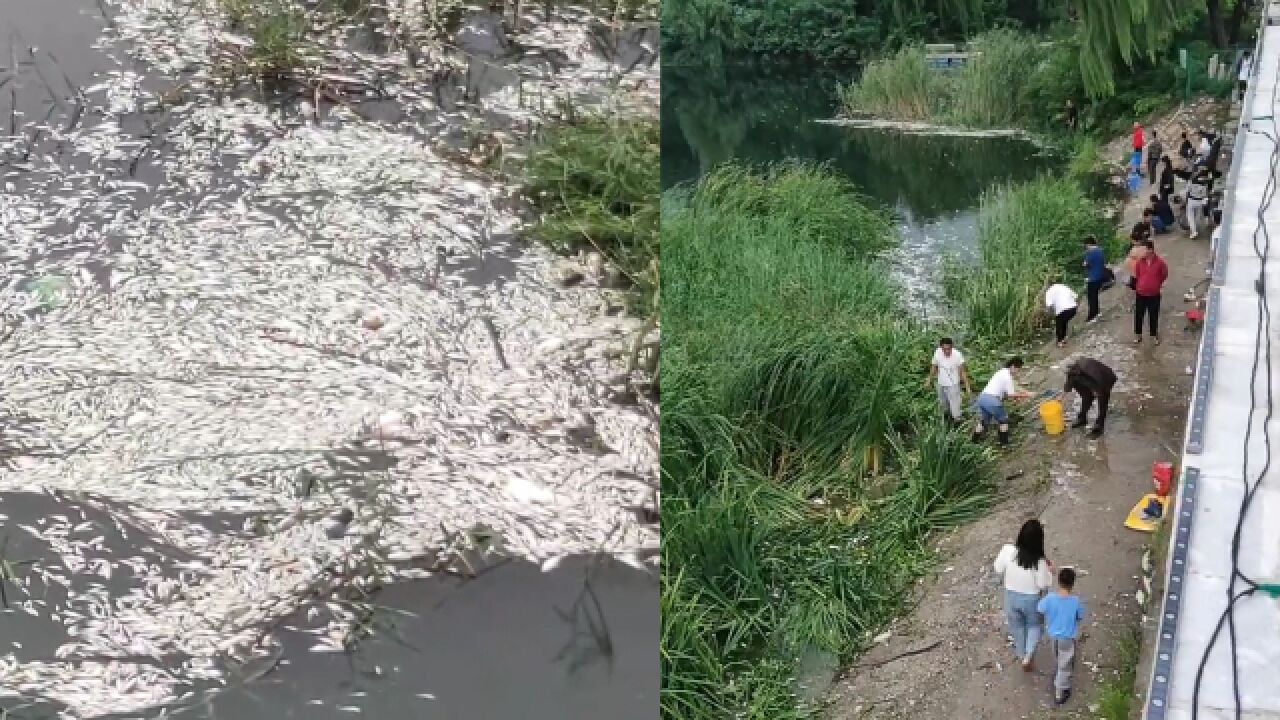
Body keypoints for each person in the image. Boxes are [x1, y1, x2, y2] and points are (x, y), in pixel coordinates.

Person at [993, 519, 1054, 672]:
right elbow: (1042, 584)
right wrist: (1050, 572)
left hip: (1011, 597)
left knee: (1017, 627)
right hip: (1031, 599)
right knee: (1034, 626)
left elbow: (998, 568)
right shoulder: (1039, 561)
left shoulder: (1008, 550)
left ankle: (1021, 653)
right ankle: (1028, 655)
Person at [1038, 567, 1086, 706]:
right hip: (1067, 637)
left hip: (1053, 635)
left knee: (1058, 657)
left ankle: (1059, 675)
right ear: (1073, 583)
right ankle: (1060, 690)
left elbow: (1040, 608)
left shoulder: (1050, 598)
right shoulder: (1075, 601)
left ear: (1059, 582)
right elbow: (1080, 616)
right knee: (1066, 664)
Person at [975, 357, 1033, 446]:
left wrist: (1017, 398)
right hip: (992, 401)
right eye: (1018, 369)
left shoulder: (1000, 372)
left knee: (984, 421)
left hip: (982, 398)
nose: (1018, 372)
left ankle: (974, 440)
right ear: (1013, 366)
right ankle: (1004, 444)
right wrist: (1026, 395)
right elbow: (1011, 394)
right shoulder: (1008, 377)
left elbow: (1004, 393)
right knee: (1004, 421)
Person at [1063, 357, 1116, 438]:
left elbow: (1099, 391)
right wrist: (1064, 395)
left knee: (1102, 401)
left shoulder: (1092, 375)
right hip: (1087, 377)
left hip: (1105, 379)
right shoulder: (1072, 374)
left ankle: (1099, 426)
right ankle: (1082, 419)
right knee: (1086, 398)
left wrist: (1096, 392)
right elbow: (1068, 387)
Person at [1130, 240, 1169, 344]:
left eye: (1143, 249)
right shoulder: (1139, 262)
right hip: (1141, 293)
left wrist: (1156, 283)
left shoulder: (1160, 262)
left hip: (1154, 294)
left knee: (1153, 315)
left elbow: (1164, 274)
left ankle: (1153, 335)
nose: (1141, 252)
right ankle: (1138, 335)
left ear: (1150, 250)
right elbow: (1137, 275)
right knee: (1138, 315)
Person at [928, 337, 973, 426]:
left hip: (953, 385)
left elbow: (963, 372)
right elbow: (934, 366)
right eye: (944, 349)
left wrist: (967, 387)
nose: (947, 351)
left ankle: (958, 425)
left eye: (949, 349)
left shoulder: (957, 355)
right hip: (941, 383)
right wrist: (929, 380)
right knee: (943, 405)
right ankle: (947, 424)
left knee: (955, 407)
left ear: (952, 347)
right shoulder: (937, 352)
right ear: (941, 348)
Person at [1044, 282, 1079, 347]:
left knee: (1059, 324)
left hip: (1062, 310)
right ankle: (1063, 338)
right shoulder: (1063, 286)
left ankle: (1060, 341)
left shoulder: (1049, 291)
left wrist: (1050, 314)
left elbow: (1048, 305)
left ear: (1048, 286)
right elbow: (1076, 296)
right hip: (1073, 309)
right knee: (1064, 321)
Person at [1082, 236, 1107, 323]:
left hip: (1093, 278)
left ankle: (1092, 316)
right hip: (1100, 276)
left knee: (1091, 298)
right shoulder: (1100, 251)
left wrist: (1086, 260)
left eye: (1086, 246)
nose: (1086, 248)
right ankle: (1097, 312)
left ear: (1088, 244)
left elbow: (1085, 264)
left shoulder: (1091, 253)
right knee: (1095, 296)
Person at [1185, 166, 1211, 238]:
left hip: (1191, 200)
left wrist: (1186, 200)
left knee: (1190, 216)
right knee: (1198, 216)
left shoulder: (1192, 180)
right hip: (1200, 201)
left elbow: (1187, 191)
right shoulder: (1205, 182)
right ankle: (1196, 227)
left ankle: (1194, 231)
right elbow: (1205, 194)